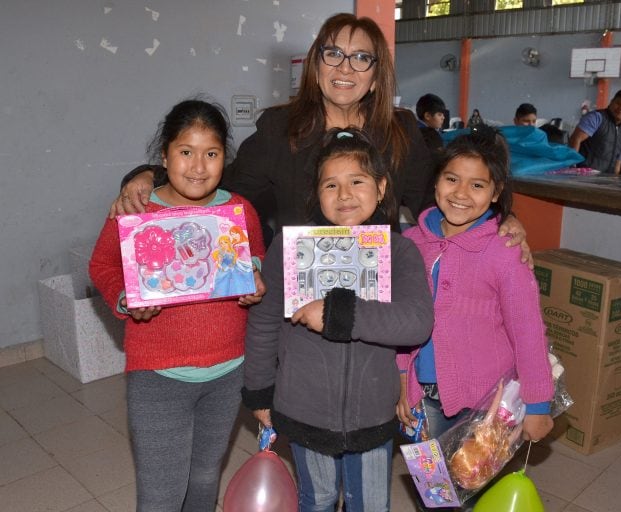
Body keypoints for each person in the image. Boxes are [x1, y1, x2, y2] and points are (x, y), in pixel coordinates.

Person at [109, 13, 531, 259]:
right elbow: (225, 188)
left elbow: (438, 200)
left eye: (361, 58)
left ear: (376, 73)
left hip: (376, 294)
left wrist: (500, 220)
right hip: (300, 296)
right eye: (334, 54)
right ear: (317, 64)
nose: (346, 68)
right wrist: (152, 176)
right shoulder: (280, 129)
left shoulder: (399, 131)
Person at [241, 127, 435, 512]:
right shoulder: (288, 248)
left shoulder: (399, 251)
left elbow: (416, 321)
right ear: (316, 194)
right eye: (330, 185)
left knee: (371, 504)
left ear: (381, 187)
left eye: (357, 181)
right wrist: (260, 392)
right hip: (303, 407)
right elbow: (263, 325)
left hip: (374, 410)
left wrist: (336, 313)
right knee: (319, 499)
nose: (344, 194)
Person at [89, 98, 266, 512]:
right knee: (161, 491)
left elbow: (254, 254)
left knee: (205, 476)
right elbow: (102, 264)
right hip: (158, 376)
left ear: (226, 157)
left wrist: (255, 281)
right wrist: (124, 296)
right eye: (186, 152)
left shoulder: (239, 210)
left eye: (212, 153)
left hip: (227, 372)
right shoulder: (137, 209)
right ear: (164, 155)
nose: (199, 166)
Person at [396, 125, 554, 455]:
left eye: (477, 184)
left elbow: (528, 332)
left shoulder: (505, 251)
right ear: (436, 181)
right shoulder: (410, 244)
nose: (461, 193)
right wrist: (400, 383)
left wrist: (538, 405)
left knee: (470, 486)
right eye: (451, 179)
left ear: (496, 192)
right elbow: (397, 322)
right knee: (435, 491)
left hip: (487, 402)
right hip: (422, 395)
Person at [569, 89, 621, 174]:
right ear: (611, 102)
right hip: (583, 178)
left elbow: (618, 163)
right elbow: (575, 139)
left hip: (605, 182)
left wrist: (615, 181)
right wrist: (572, 167)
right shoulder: (596, 118)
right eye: (618, 103)